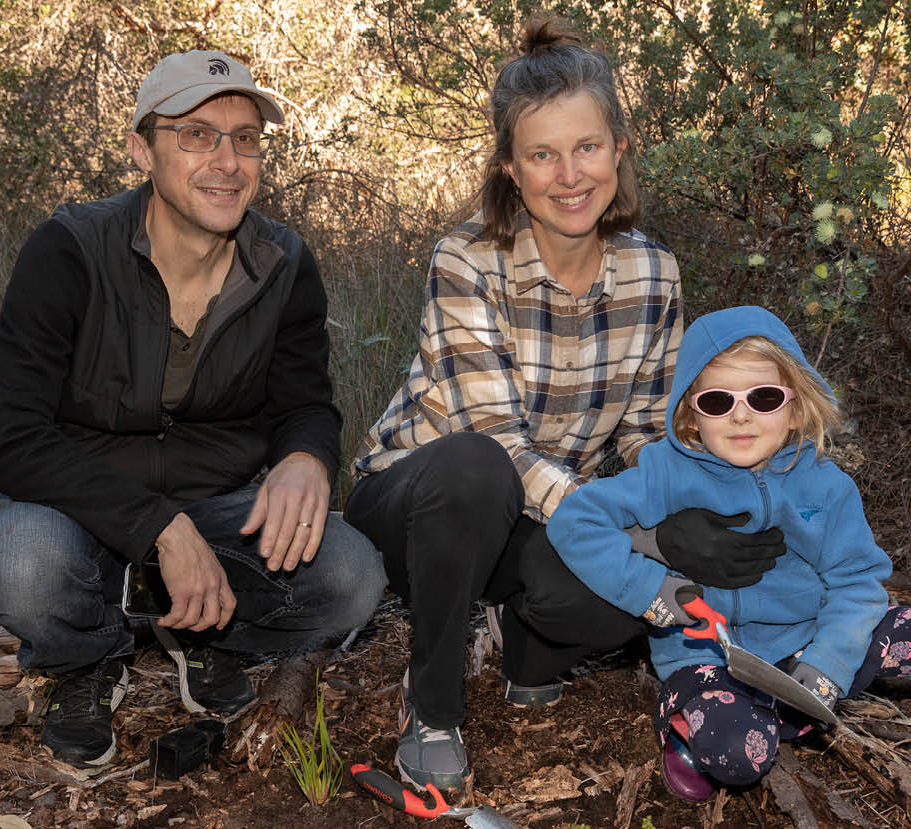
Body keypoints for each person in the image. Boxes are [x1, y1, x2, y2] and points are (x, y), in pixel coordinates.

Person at [344, 17, 786, 794]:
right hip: (422, 496)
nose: (569, 174)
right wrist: (627, 528)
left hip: (544, 506)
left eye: (586, 147)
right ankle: (434, 702)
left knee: (632, 581)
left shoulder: (654, 273)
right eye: (542, 155)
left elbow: (651, 430)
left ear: (619, 147)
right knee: (483, 472)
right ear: (511, 168)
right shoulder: (468, 260)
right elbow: (500, 446)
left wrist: (686, 510)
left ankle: (531, 645)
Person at [0, 50, 384, 768]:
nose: (227, 160)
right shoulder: (71, 250)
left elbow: (305, 403)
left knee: (354, 578)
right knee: (25, 562)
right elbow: (2, 431)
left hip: (220, 506)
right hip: (76, 506)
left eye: (245, 137)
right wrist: (156, 526)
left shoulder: (282, 265)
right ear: (141, 146)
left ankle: (197, 629)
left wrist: (307, 457)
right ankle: (89, 656)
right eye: (196, 134)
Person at [548, 306, 911, 824]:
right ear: (689, 413)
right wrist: (651, 590)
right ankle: (690, 722)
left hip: (809, 644)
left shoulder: (825, 485)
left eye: (764, 396)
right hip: (708, 654)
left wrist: (828, 665)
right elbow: (575, 521)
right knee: (741, 759)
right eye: (717, 400)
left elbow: (858, 584)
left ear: (795, 407)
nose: (741, 415)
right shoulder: (662, 473)